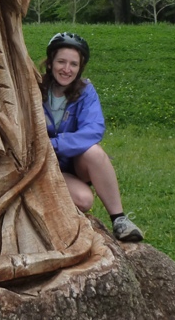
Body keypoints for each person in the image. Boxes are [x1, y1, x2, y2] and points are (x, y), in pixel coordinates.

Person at [40, 32, 144, 243]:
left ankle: (119, 220)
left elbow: (93, 130)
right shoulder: (35, 88)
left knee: (95, 152)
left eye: (73, 64)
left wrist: (54, 144)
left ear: (80, 68)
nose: (66, 69)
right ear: (50, 63)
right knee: (84, 199)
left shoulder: (86, 91)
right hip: (41, 164)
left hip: (70, 163)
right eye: (61, 61)